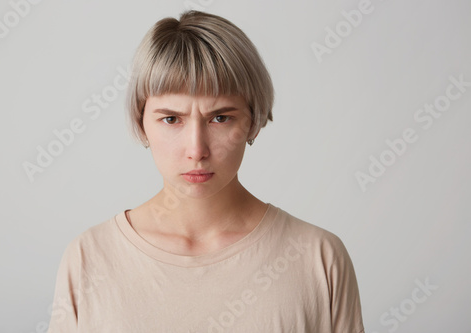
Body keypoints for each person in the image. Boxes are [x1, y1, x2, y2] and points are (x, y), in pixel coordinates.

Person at [47, 10, 364, 333]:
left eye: (220, 118)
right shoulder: (89, 258)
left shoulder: (318, 258)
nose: (197, 150)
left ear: (252, 122)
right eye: (171, 119)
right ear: (141, 124)